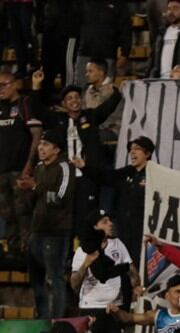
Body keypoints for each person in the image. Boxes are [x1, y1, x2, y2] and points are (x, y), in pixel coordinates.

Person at [33, 73, 123, 235]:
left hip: (86, 176)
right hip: (64, 177)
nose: (74, 100)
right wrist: (36, 87)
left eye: (76, 97)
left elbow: (109, 106)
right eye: (69, 98)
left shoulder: (91, 116)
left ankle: (83, 246)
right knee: (66, 215)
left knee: (86, 215)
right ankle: (69, 252)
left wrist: (117, 91)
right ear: (63, 104)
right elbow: (37, 110)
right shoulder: (57, 119)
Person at [17, 129, 75, 319]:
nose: (41, 148)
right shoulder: (40, 167)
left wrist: (35, 187)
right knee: (36, 280)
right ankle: (41, 320)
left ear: (56, 149)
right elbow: (35, 200)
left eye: (46, 145)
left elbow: (61, 198)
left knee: (54, 278)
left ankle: (56, 320)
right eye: (40, 144)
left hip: (56, 232)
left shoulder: (64, 167)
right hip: (37, 230)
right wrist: (27, 190)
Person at [71, 210, 136, 333]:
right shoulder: (82, 251)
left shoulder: (118, 245)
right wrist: (85, 265)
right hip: (90, 308)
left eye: (109, 220)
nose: (110, 224)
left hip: (114, 309)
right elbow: (74, 284)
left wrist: (135, 286)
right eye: (104, 221)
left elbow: (132, 271)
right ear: (95, 227)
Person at [0, 71, 43, 255]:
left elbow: (36, 134)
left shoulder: (24, 104)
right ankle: (13, 253)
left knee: (23, 213)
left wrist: (29, 165)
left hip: (20, 170)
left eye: (4, 85)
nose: (0, 90)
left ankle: (29, 254)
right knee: (7, 215)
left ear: (14, 84)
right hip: (2, 172)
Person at [97, 136, 159, 266]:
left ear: (147, 153)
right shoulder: (127, 172)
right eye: (131, 149)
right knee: (122, 264)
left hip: (143, 231)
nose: (132, 152)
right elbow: (104, 177)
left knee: (139, 263)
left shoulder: (156, 174)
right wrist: (84, 167)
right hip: (123, 229)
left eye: (137, 149)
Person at [73, 0, 131, 86]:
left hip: (108, 54)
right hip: (84, 53)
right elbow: (74, 24)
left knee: (106, 91)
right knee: (80, 88)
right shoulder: (82, 2)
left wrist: (125, 53)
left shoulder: (119, 3)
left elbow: (126, 29)